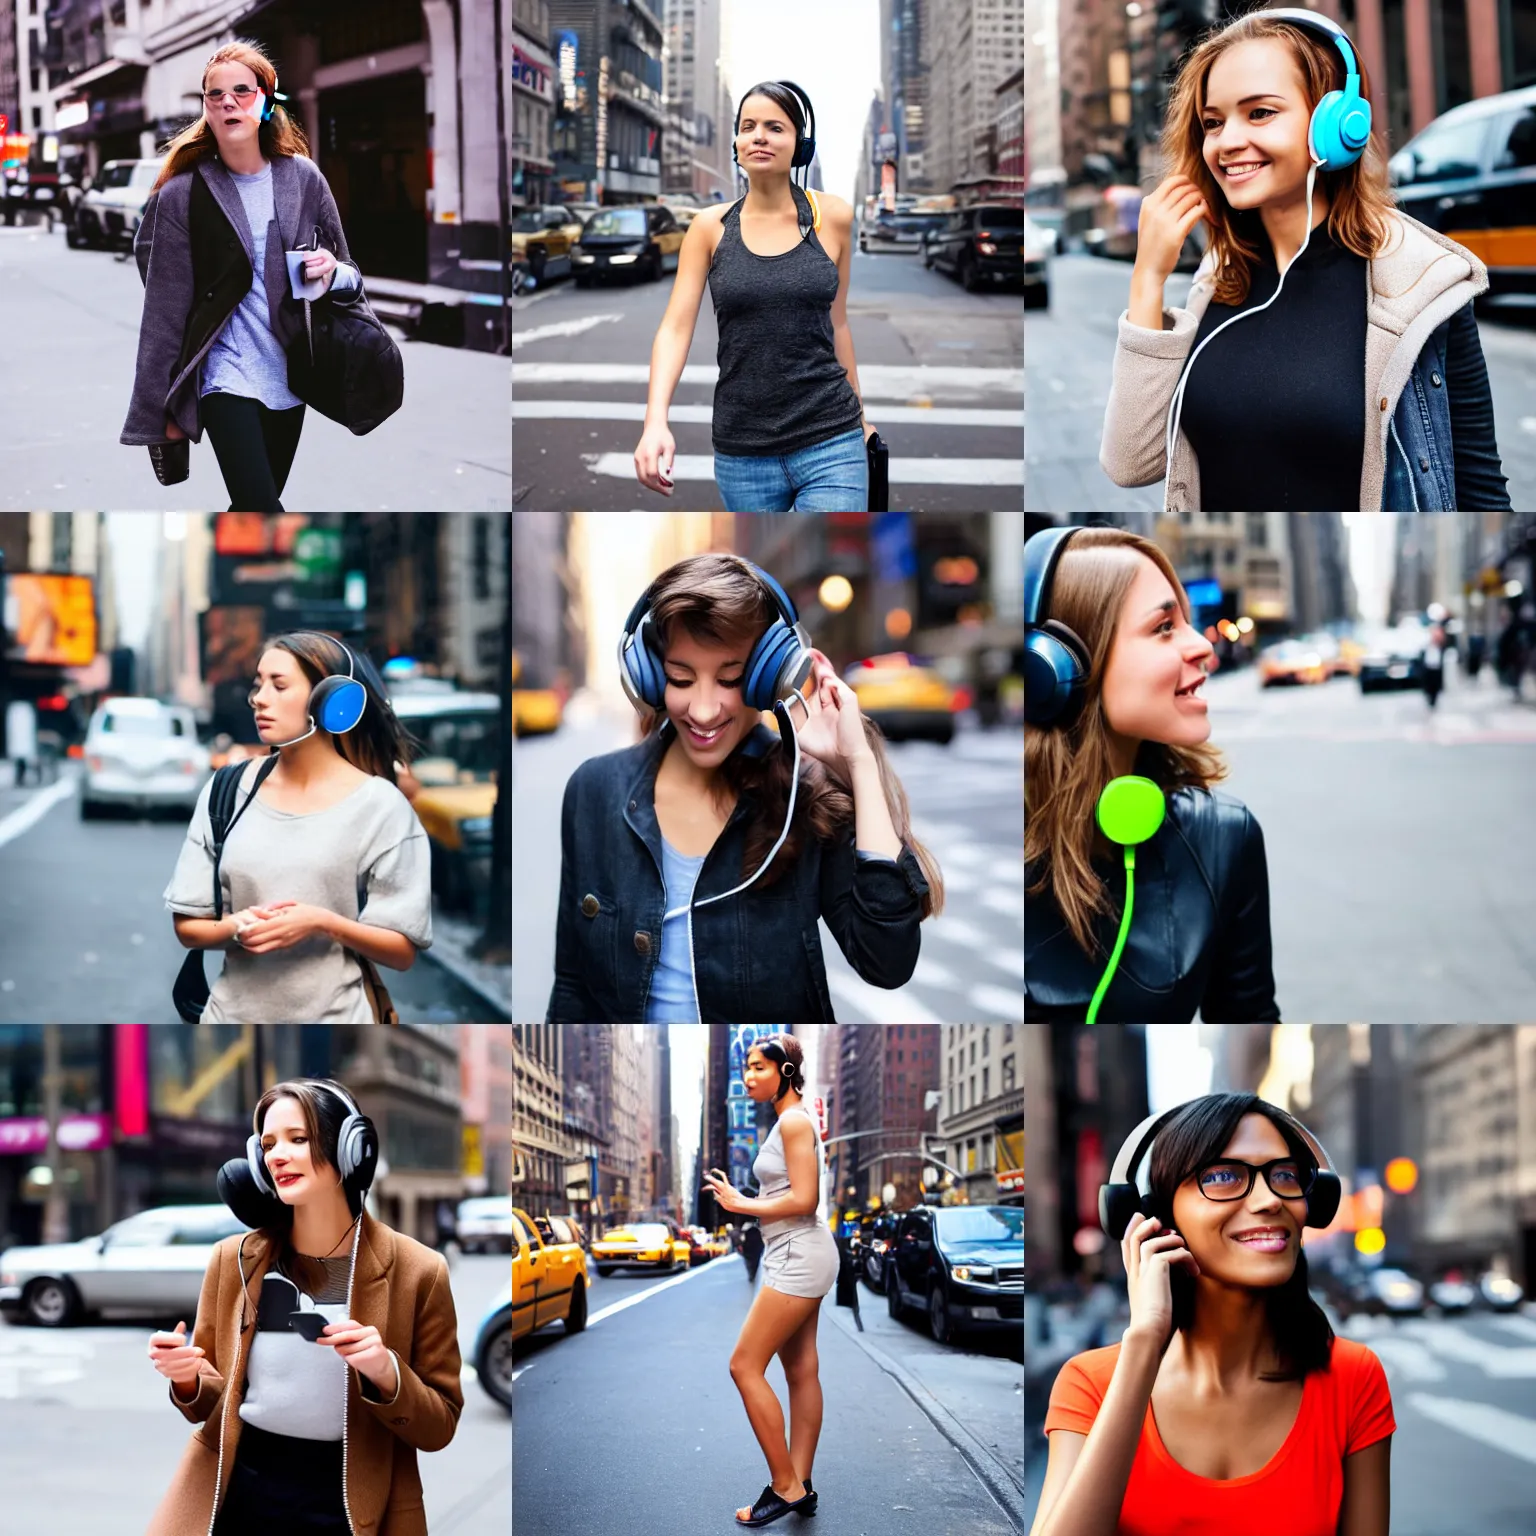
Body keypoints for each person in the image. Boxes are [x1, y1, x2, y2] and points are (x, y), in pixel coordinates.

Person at [1098, 10, 1509, 512]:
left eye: (1260, 113)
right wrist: (1148, 279)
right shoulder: (1216, 280)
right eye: (1212, 122)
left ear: (1336, 127)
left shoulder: (1424, 285)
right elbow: (1130, 463)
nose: (1227, 142)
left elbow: (1480, 489)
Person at [546, 554, 942, 1022]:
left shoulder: (804, 795)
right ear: (650, 677)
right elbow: (572, 986)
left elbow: (887, 962)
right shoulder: (592, 792)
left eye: (731, 679)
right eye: (680, 678)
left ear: (770, 677)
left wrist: (857, 764)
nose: (705, 709)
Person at [1031, 1094, 1393, 1536]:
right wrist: (1143, 1342)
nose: (1269, 1200)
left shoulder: (1354, 1378)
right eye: (1223, 1176)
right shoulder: (1088, 1384)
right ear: (1158, 1217)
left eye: (1284, 1175)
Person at [143, 1079, 463, 1536]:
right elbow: (215, 1401)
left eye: (299, 1139)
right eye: (268, 1144)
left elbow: (439, 1427)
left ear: (351, 1149)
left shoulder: (420, 1271)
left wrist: (386, 1371)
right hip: (241, 1492)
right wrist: (188, 1377)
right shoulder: (232, 1260)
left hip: (350, 1503)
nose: (277, 1156)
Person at [1025, 526, 1278, 1022]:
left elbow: (1251, 1015)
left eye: (1186, 621)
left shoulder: (1225, 838)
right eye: (1164, 627)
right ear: (1057, 668)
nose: (1202, 647)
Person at [119, 39, 368, 511]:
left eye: (242, 91)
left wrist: (332, 273)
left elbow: (352, 278)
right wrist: (162, 407)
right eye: (216, 94)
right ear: (207, 110)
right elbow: (164, 312)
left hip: (291, 378)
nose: (228, 101)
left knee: (255, 509)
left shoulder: (304, 179)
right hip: (224, 379)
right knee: (263, 508)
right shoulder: (182, 195)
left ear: (267, 102)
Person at [164, 631, 432, 1023]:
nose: (259, 698)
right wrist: (238, 926)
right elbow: (189, 927)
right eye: (258, 684)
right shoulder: (226, 789)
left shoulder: (380, 805)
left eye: (279, 685)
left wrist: (320, 923)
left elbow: (401, 951)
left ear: (331, 703)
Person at [633, 81, 876, 510]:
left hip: (831, 439)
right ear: (737, 144)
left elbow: (837, 323)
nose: (759, 136)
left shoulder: (833, 217)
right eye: (748, 126)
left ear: (800, 145)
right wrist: (655, 422)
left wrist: (862, 416)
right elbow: (674, 329)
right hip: (741, 451)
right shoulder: (709, 227)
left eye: (775, 127)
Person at [701, 1036, 838, 1526]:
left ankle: (784, 1485)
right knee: (801, 1371)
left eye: (758, 1067)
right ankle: (800, 1482)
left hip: (799, 1253)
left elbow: (805, 1199)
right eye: (745, 1068)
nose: (748, 1076)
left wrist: (743, 1204)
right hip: (795, 1252)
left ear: (784, 1071)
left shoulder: (796, 1121)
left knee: (744, 1365)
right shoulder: (788, 1121)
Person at [1420, 620, 1447, 709]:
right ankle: (1430, 700)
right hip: (1428, 668)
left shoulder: (1440, 646)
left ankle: (1433, 701)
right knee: (1429, 686)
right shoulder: (1426, 644)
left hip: (1436, 668)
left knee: (1435, 686)